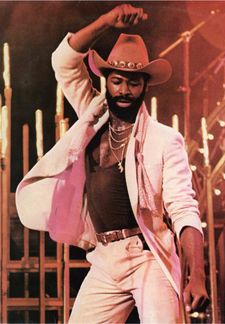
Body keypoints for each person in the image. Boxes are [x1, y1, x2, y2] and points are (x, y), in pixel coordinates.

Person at [16, 4, 209, 323]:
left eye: (133, 83)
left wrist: (197, 275)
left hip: (147, 256)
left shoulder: (164, 139)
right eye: (117, 81)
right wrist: (106, 22)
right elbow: (63, 62)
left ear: (145, 86)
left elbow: (184, 210)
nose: (124, 90)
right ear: (106, 81)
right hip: (106, 258)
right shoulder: (92, 116)